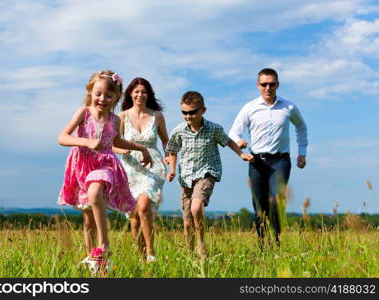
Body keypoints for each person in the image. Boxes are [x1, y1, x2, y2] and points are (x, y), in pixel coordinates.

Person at [57, 70, 153, 274]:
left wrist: (140, 148)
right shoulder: (83, 113)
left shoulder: (114, 120)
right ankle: (93, 257)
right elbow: (62, 137)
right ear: (90, 92)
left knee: (94, 194)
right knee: (88, 218)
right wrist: (86, 142)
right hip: (82, 167)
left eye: (109, 96)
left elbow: (115, 141)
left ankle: (104, 244)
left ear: (116, 98)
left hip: (105, 165)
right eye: (98, 94)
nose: (103, 99)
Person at [166, 91, 253, 258]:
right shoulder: (179, 131)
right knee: (186, 222)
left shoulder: (214, 129)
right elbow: (172, 150)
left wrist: (241, 154)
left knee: (196, 207)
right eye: (184, 113)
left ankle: (201, 245)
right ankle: (190, 255)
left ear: (203, 110)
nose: (188, 116)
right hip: (185, 178)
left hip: (207, 173)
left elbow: (228, 142)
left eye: (192, 112)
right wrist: (171, 171)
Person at [229, 67, 308, 248]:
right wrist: (239, 141)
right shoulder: (249, 108)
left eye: (271, 84)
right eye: (264, 84)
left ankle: (277, 242)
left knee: (276, 201)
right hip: (256, 161)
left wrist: (302, 153)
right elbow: (233, 132)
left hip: (280, 161)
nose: (268, 88)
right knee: (260, 208)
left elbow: (301, 127)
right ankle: (263, 246)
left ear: (277, 85)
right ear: (258, 85)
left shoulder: (289, 106)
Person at [113, 77, 169, 262]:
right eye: (136, 91)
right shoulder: (121, 117)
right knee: (134, 217)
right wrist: (123, 150)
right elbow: (111, 143)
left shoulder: (157, 116)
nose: (140, 95)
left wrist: (169, 155)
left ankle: (151, 253)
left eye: (144, 92)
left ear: (149, 94)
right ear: (130, 93)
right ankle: (141, 258)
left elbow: (165, 141)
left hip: (153, 166)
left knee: (144, 206)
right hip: (130, 168)